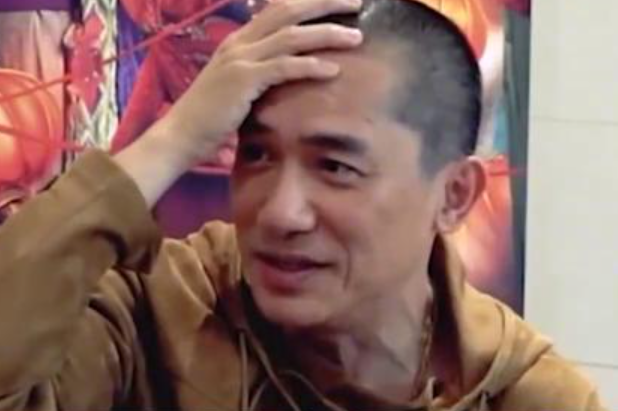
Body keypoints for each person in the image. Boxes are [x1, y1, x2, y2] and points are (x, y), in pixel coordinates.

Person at [0, 0, 605, 410]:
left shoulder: (525, 393)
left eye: (335, 166)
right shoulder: (161, 313)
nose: (280, 213)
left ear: (454, 195)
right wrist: (173, 139)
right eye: (257, 155)